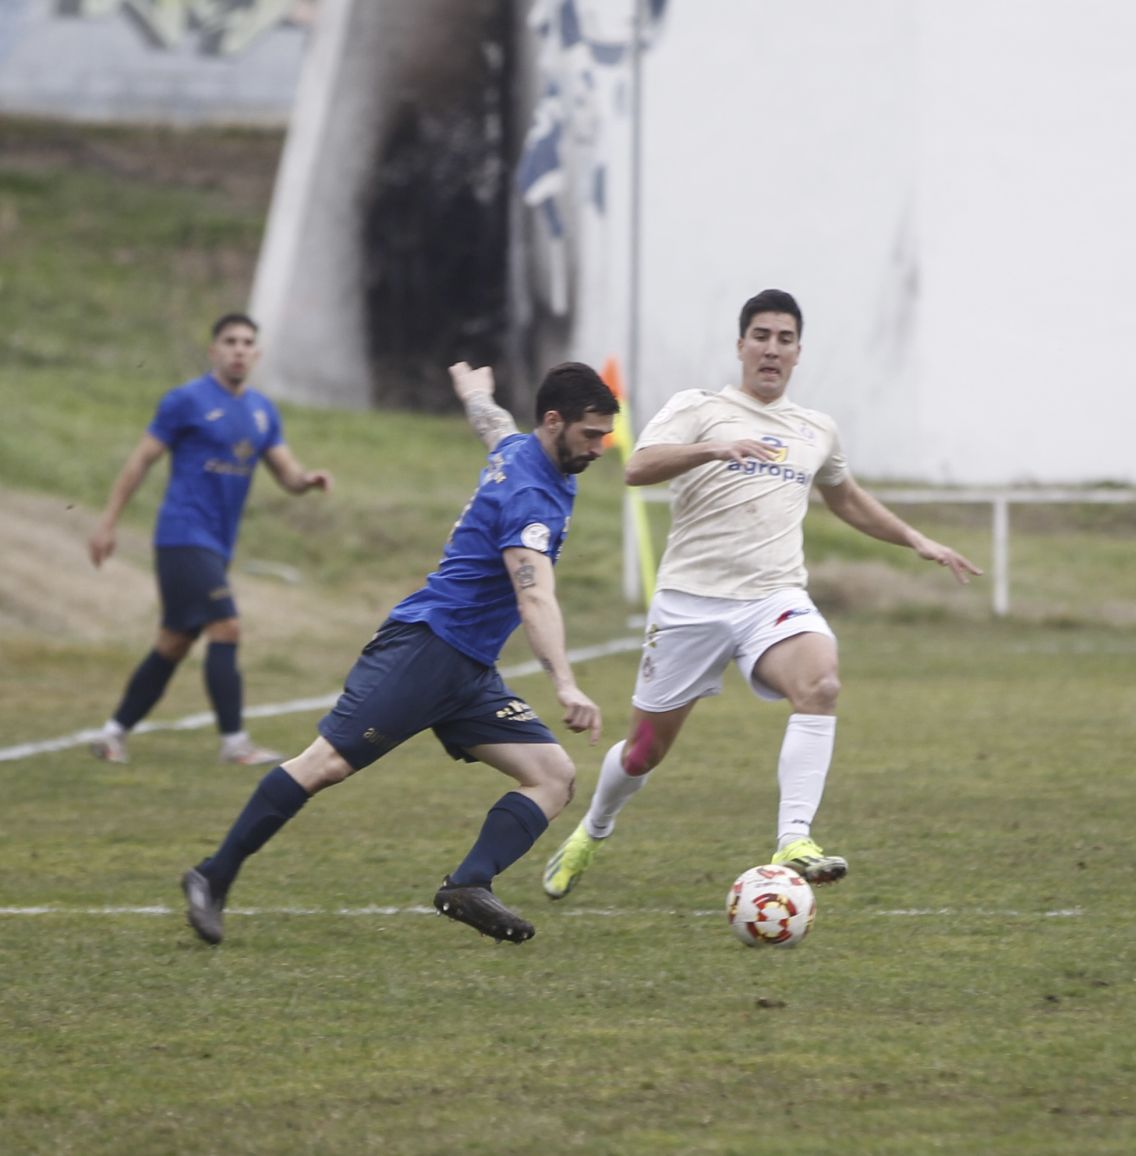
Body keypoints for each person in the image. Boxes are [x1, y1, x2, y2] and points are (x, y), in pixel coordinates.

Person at [540, 288, 981, 899]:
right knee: (644, 752)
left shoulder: (815, 429)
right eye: (762, 337)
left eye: (786, 339)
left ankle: (794, 839)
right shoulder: (699, 408)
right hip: (690, 603)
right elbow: (637, 467)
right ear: (741, 345)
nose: (773, 349)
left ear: (799, 352)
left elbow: (844, 497)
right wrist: (715, 447)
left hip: (770, 599)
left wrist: (914, 539)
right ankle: (593, 829)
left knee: (821, 681)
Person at [178, 361, 618, 946]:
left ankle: (467, 885)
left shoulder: (523, 450)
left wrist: (476, 394)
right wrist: (564, 683)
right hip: (427, 650)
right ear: (555, 422)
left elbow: (495, 427)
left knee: (553, 777)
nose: (600, 448)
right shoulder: (530, 496)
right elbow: (534, 597)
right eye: (591, 435)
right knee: (323, 766)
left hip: (469, 670)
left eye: (605, 435)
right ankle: (212, 876)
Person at [88, 313, 333, 766]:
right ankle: (234, 744)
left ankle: (112, 734)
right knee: (227, 624)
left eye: (247, 343)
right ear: (214, 350)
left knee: (174, 644)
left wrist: (307, 480)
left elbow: (286, 473)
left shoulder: (262, 410)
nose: (239, 349)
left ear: (256, 354)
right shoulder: (186, 400)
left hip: (217, 545)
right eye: (230, 341)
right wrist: (108, 522)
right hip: (181, 536)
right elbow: (141, 459)